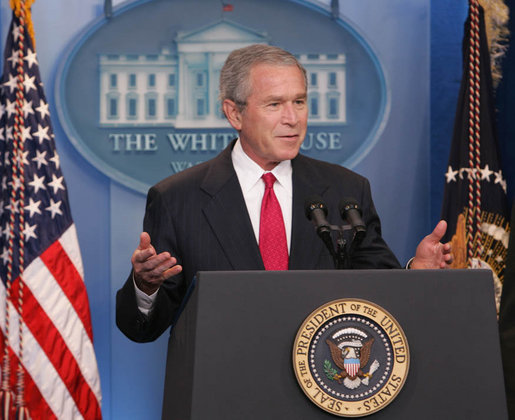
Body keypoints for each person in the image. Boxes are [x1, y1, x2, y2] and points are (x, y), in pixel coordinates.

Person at [116, 44, 451, 343]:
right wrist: (146, 287)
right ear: (234, 113)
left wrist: (415, 274)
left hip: (324, 390)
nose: (293, 119)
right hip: (223, 394)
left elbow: (377, 297)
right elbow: (142, 329)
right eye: (275, 104)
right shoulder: (177, 198)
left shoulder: (346, 191)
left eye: (300, 102)